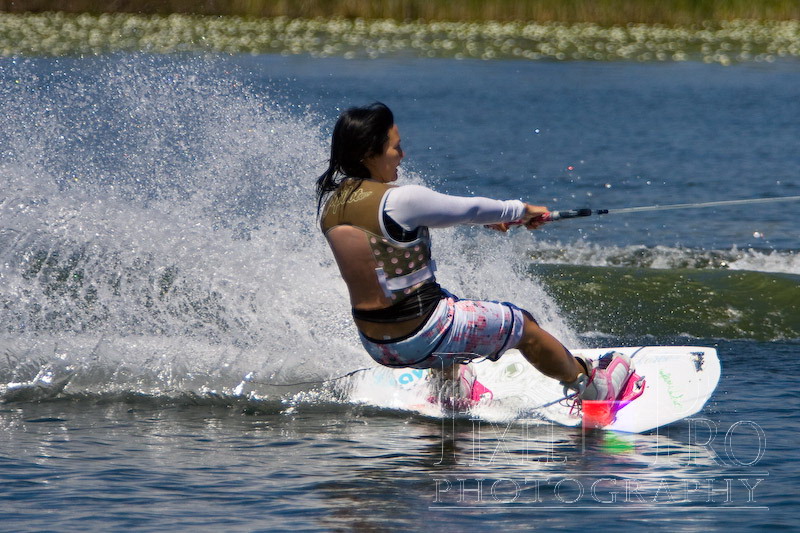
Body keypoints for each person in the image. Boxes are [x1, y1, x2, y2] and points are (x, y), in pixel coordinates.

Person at [317, 102, 634, 406]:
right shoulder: (400, 200)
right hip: (423, 335)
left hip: (378, 345)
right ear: (369, 152)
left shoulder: (332, 206)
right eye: (396, 147)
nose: (402, 154)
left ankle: (451, 389)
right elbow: (469, 209)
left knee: (446, 303)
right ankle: (591, 386)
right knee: (523, 326)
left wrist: (489, 219)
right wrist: (522, 211)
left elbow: (419, 226)